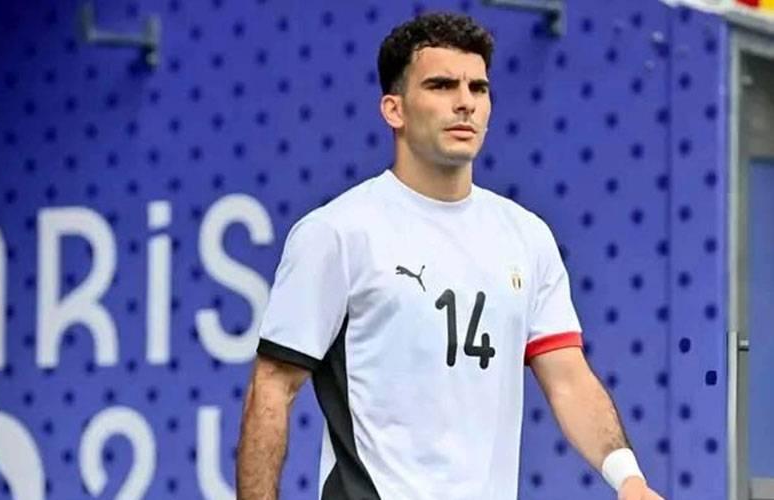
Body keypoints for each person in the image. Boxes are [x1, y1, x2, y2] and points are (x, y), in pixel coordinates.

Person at [236, 12, 664, 500]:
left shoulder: (527, 237)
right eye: (441, 86)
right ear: (394, 109)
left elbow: (568, 379)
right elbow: (272, 387)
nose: (465, 103)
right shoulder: (336, 233)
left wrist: (627, 477)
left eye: (478, 88)